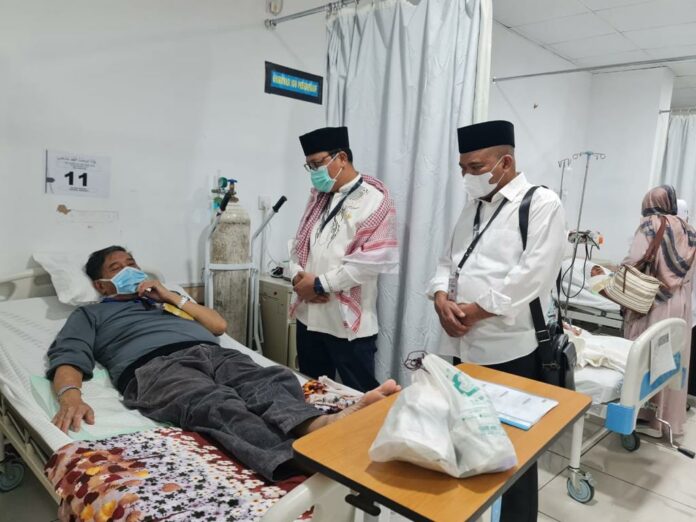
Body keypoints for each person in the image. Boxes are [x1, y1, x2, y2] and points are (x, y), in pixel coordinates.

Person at [47, 245, 400, 482]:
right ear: (101, 285)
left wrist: (169, 296)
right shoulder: (91, 314)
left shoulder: (167, 300)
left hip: (212, 352)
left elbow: (218, 326)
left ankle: (319, 426)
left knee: (270, 380)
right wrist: (70, 395)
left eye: (132, 263)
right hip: (153, 367)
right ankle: (293, 460)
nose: (129, 269)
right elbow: (69, 355)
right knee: (214, 402)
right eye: (117, 267)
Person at [428, 120, 566, 522]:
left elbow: (533, 276)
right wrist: (440, 298)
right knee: (469, 439)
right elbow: (448, 261)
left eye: (475, 167)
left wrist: (473, 311)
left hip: (510, 352)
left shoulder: (541, 204)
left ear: (505, 162)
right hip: (462, 345)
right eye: (462, 168)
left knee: (513, 454)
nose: (466, 177)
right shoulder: (473, 205)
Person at [289, 126, 399, 392]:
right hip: (310, 317)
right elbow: (298, 246)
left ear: (342, 158)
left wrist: (318, 285)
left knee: (362, 395)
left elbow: (370, 262)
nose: (314, 171)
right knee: (314, 393)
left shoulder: (374, 200)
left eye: (318, 164)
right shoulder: (318, 198)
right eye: (309, 166)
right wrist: (296, 278)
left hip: (347, 324)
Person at [618, 186, 695, 436]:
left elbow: (635, 259)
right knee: (672, 357)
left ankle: (643, 414)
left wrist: (617, 273)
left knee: (645, 355)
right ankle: (666, 418)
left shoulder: (651, 224)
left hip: (654, 300)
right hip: (680, 302)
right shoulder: (689, 230)